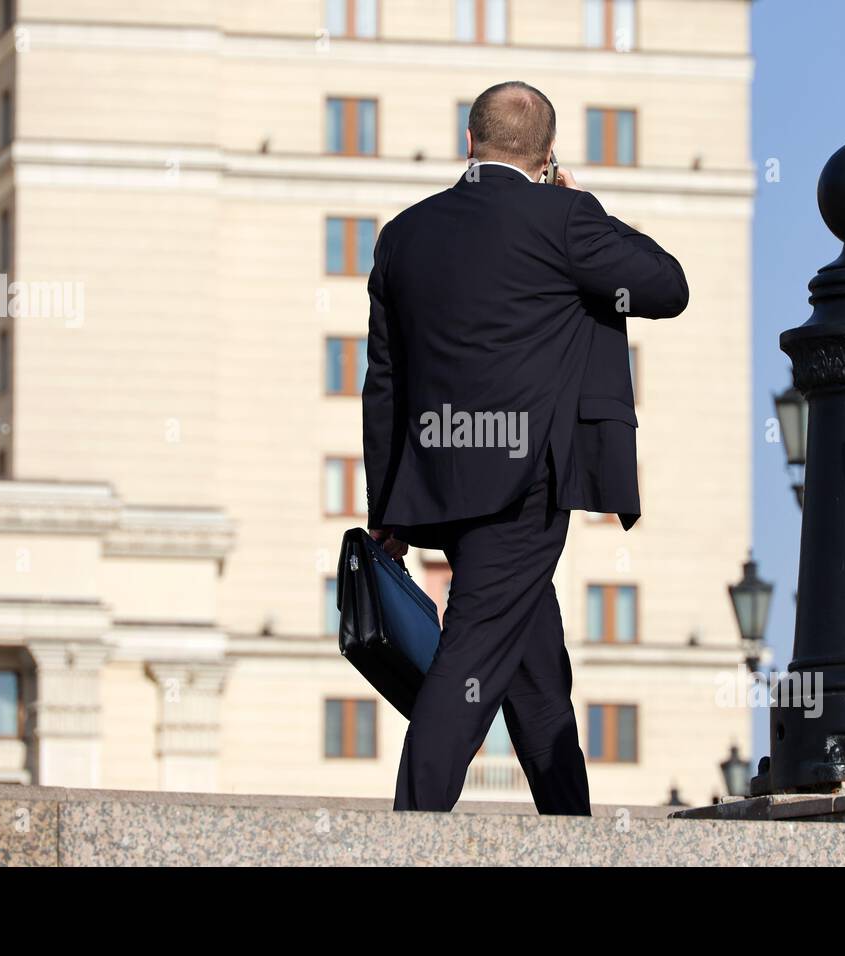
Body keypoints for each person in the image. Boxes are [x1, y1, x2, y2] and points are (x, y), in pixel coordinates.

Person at [362, 80, 688, 814]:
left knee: (536, 670)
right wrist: (582, 201)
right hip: (524, 482)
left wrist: (387, 507)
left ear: (467, 143)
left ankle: (567, 829)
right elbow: (667, 286)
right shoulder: (566, 218)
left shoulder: (403, 235)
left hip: (439, 479)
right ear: (546, 156)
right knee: (470, 657)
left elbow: (382, 379)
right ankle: (409, 835)